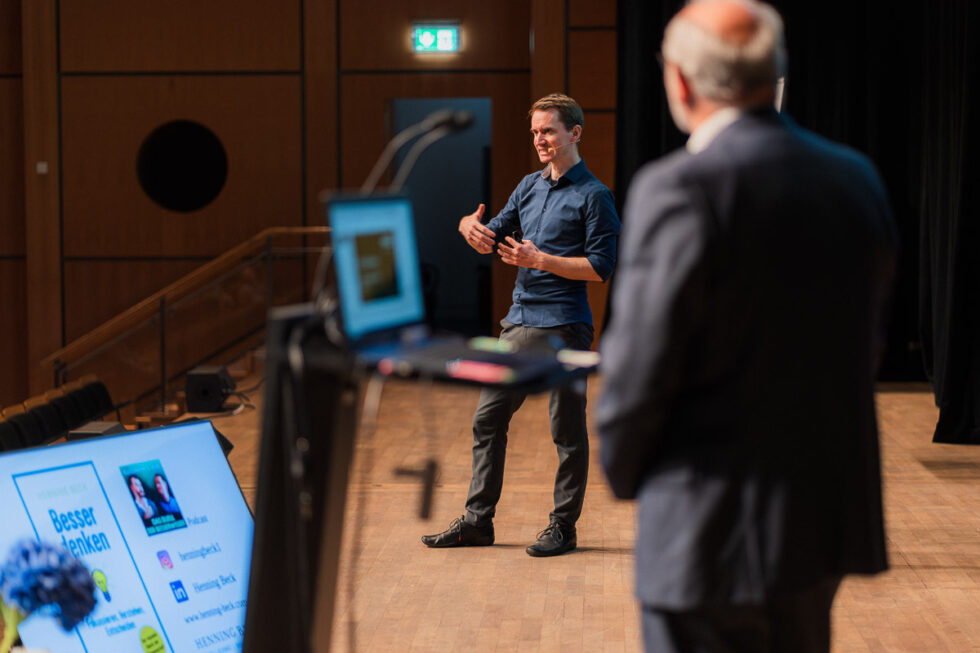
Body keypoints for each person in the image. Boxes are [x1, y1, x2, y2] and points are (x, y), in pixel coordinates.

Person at [596, 1, 898, 651]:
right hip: (821, 519)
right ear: (773, 72)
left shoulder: (678, 187)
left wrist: (620, 467)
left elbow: (643, 362)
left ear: (679, 81)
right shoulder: (855, 177)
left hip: (708, 528)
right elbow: (866, 341)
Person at [422, 93, 620, 557]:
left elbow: (600, 267)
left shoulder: (595, 196)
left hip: (565, 327)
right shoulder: (528, 186)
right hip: (518, 323)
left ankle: (563, 527)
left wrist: (541, 259)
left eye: (548, 131)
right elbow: (489, 236)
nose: (540, 140)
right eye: (535, 132)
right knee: (487, 419)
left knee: (566, 431)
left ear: (574, 133)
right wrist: (467, 228)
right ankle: (477, 522)